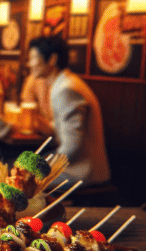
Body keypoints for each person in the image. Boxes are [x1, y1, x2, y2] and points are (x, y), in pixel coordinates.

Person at [27, 36, 110, 185]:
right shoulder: (63, 82)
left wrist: (39, 167)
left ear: (52, 59)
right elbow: (68, 129)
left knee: (21, 180)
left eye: (33, 58)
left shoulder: (65, 88)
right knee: (21, 169)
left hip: (82, 171)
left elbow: (72, 145)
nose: (29, 64)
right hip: (78, 165)